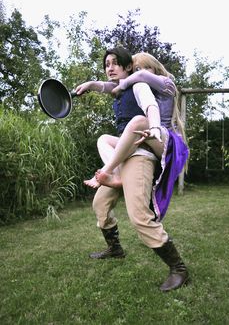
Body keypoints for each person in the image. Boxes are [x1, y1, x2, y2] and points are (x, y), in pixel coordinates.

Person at [75, 47, 189, 292]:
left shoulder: (152, 83)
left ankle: (179, 268)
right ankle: (115, 247)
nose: (138, 72)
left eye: (138, 68)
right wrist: (90, 84)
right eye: (107, 64)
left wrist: (154, 128)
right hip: (130, 149)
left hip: (152, 143)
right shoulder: (126, 86)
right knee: (100, 204)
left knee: (139, 216)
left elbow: (150, 107)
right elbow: (110, 86)